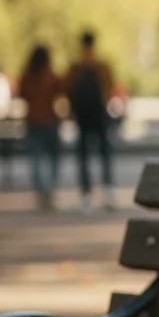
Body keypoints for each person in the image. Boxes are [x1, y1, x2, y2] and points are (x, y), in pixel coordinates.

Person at [63, 31, 115, 211]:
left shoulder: (76, 67)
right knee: (104, 154)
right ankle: (108, 192)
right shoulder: (101, 65)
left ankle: (86, 195)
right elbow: (109, 87)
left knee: (83, 156)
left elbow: (67, 89)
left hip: (83, 117)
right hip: (99, 114)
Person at [18, 45, 63, 210]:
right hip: (50, 121)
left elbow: (22, 94)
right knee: (54, 159)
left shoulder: (27, 77)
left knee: (35, 160)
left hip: (33, 122)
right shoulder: (50, 76)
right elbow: (60, 91)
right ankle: (49, 191)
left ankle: (40, 193)